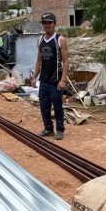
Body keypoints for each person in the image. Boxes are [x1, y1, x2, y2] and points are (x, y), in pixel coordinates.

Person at [33, 12, 69, 140]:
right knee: (44, 106)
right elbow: (39, 60)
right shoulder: (40, 40)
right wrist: (34, 77)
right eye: (44, 23)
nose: (47, 25)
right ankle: (48, 128)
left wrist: (63, 80)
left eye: (49, 23)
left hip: (56, 80)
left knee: (58, 106)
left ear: (54, 24)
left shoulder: (60, 40)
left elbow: (66, 61)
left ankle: (60, 130)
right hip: (44, 80)